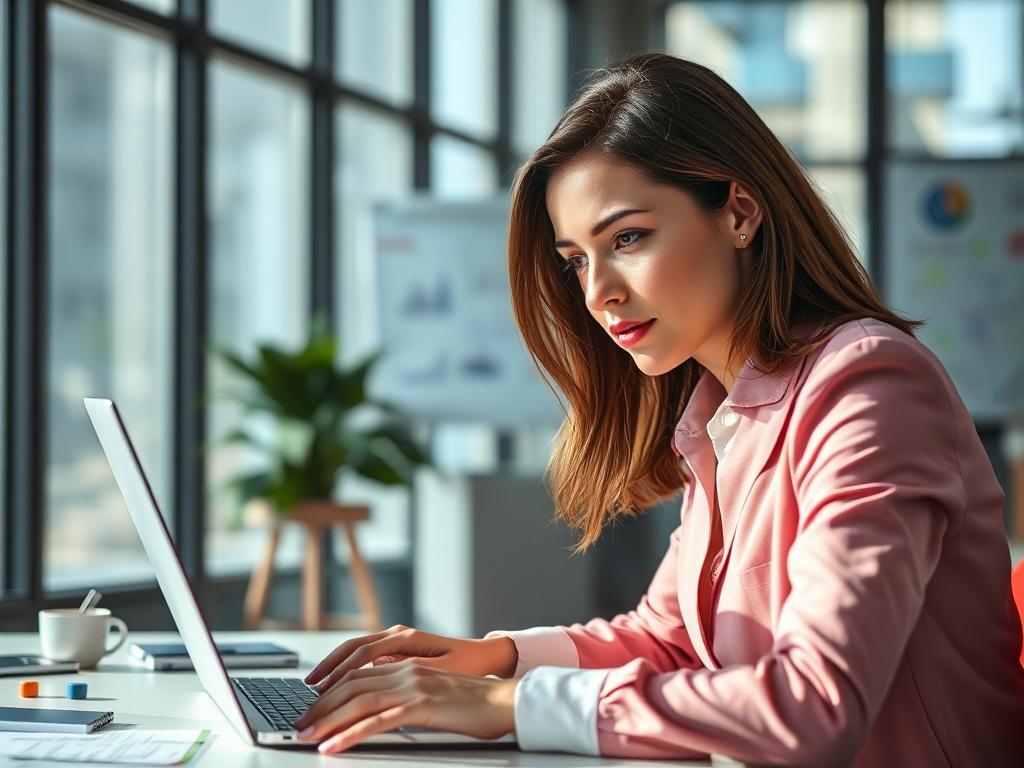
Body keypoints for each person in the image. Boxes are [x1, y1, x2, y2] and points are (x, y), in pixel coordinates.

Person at [292, 53, 1024, 764]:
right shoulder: (719, 414)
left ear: (739, 211)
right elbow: (671, 637)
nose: (596, 292)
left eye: (629, 238)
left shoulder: (870, 384)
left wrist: (508, 706)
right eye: (577, 258)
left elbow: (814, 704)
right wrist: (497, 658)